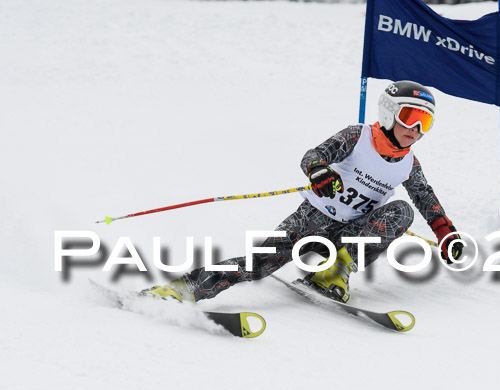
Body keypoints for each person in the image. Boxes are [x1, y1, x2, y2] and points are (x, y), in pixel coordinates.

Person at [142, 80, 463, 303]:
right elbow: (314, 156)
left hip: (349, 237)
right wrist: (320, 172)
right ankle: (185, 288)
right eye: (410, 117)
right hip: (313, 221)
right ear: (390, 112)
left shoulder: (408, 163)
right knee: (259, 265)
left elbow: (426, 199)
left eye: (425, 123)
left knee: (402, 211)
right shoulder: (358, 136)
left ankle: (332, 272)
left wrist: (446, 234)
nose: (415, 130)